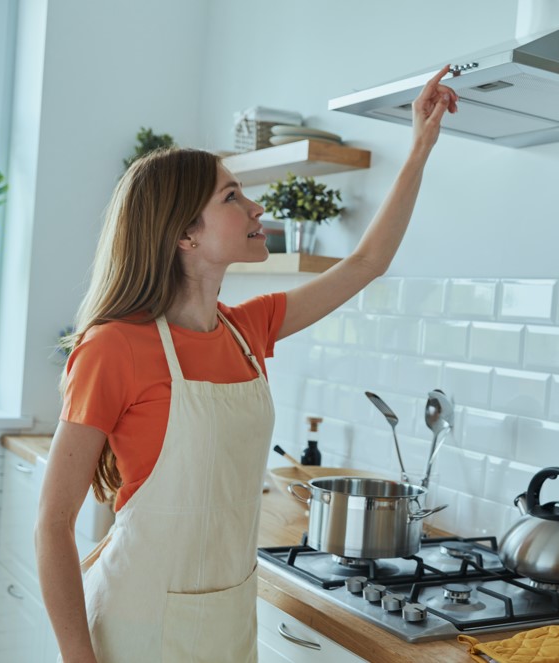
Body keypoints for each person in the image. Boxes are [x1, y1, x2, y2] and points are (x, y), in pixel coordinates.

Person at [35, 66, 457, 663]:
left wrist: (419, 147)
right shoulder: (113, 347)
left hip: (229, 620)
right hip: (137, 625)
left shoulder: (246, 328)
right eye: (232, 196)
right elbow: (53, 525)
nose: (256, 207)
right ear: (185, 234)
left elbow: (366, 263)